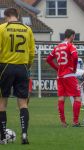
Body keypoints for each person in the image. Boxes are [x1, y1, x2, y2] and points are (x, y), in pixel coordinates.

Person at [0, 8, 35, 144]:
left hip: (6, 67)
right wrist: (27, 65)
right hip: (22, 67)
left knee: (2, 102)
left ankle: (2, 136)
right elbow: (32, 52)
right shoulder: (28, 29)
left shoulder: (2, 28)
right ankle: (24, 134)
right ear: (17, 15)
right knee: (23, 103)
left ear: (6, 16)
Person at [46, 29, 81, 127]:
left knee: (61, 98)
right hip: (69, 75)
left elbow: (48, 59)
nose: (74, 38)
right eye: (74, 36)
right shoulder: (70, 45)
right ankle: (75, 121)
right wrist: (74, 68)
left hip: (60, 76)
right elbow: (75, 56)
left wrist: (57, 69)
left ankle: (63, 122)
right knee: (77, 97)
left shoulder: (57, 47)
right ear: (72, 36)